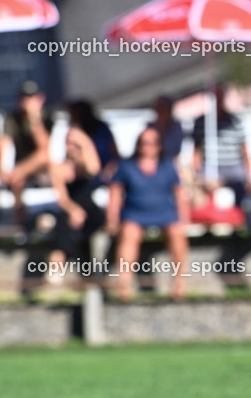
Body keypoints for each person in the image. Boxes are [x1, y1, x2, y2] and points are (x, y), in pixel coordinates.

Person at [106, 126, 189, 301]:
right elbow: (114, 193)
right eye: (144, 143)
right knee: (129, 234)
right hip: (135, 213)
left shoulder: (167, 165)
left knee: (177, 233)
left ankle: (180, 283)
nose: (148, 146)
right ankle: (124, 284)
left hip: (164, 213)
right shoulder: (126, 166)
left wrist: (184, 217)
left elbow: (179, 192)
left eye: (152, 143)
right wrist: (112, 220)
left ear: (159, 146)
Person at [48, 122, 106, 281]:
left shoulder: (85, 165)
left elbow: (93, 169)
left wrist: (84, 144)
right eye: (69, 142)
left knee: (78, 226)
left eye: (75, 143)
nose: (71, 146)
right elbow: (62, 198)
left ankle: (58, 261)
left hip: (90, 213)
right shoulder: (58, 167)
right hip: (71, 211)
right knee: (65, 221)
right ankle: (76, 268)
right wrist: (74, 210)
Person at [0, 81, 53, 225]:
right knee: (17, 180)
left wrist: (34, 119)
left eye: (31, 98)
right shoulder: (13, 119)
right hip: (22, 169)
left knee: (41, 157)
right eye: (25, 98)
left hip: (45, 168)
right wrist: (1, 169)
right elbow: (4, 142)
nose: (27, 102)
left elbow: (45, 149)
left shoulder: (47, 118)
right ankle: (22, 225)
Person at [193, 84, 251, 205]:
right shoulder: (201, 122)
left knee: (239, 198)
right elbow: (197, 151)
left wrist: (249, 175)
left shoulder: (235, 121)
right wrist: (195, 174)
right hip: (210, 167)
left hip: (233, 168)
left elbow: (244, 148)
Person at [67, 99, 119, 184]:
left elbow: (114, 152)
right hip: (84, 175)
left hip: (107, 171)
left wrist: (111, 167)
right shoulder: (74, 133)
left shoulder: (102, 129)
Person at [151, 95, 183, 163]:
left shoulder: (176, 128)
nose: (162, 112)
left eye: (164, 108)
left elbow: (175, 150)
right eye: (160, 108)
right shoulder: (150, 128)